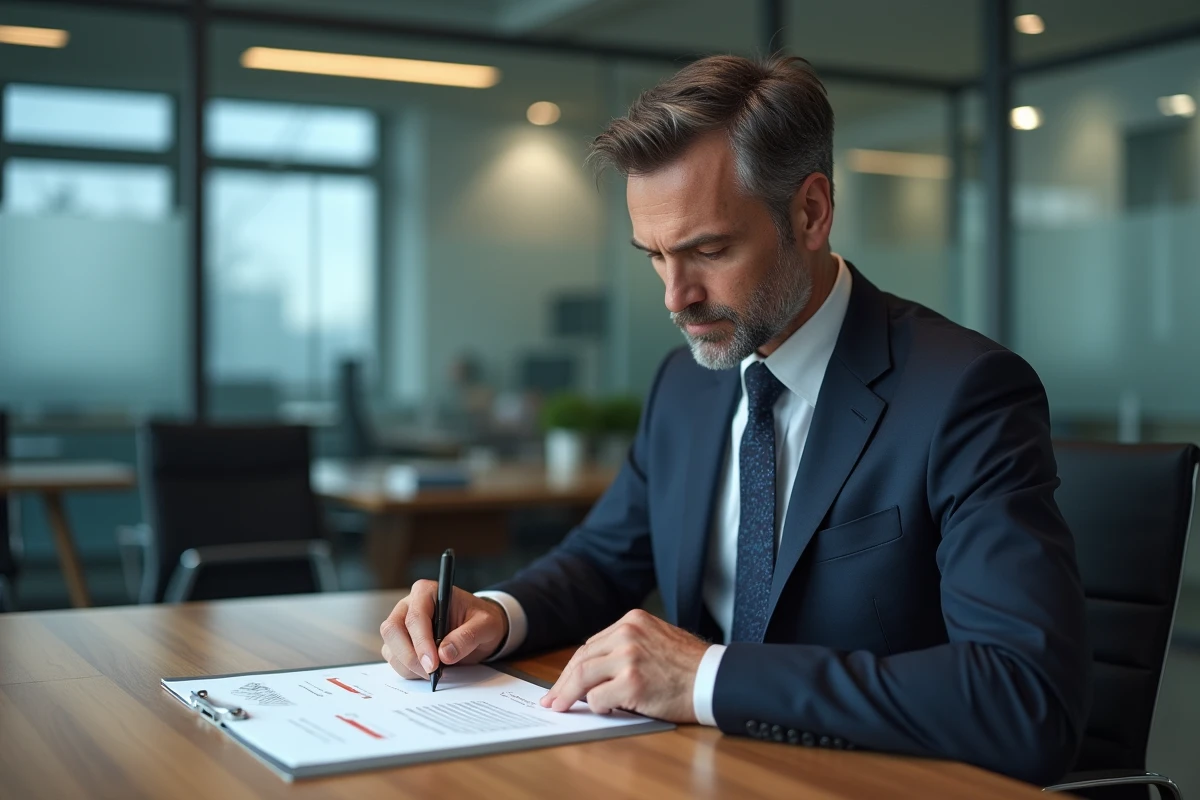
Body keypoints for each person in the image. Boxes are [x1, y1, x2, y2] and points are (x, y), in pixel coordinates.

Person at [380, 54, 1090, 785]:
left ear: (810, 212)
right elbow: (603, 559)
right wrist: (495, 614)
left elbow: (1025, 698)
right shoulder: (686, 385)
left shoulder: (964, 394)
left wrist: (707, 679)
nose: (674, 297)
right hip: (701, 771)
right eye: (654, 256)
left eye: (708, 250)